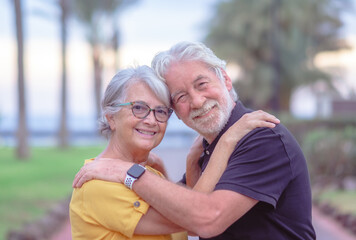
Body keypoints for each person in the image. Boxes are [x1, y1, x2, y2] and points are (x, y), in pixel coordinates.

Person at [73, 41, 315, 239]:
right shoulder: (209, 147)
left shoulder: (260, 137)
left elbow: (204, 219)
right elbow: (186, 214)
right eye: (181, 96)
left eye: (202, 84)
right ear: (177, 111)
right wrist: (192, 162)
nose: (197, 101)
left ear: (226, 80)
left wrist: (128, 171)